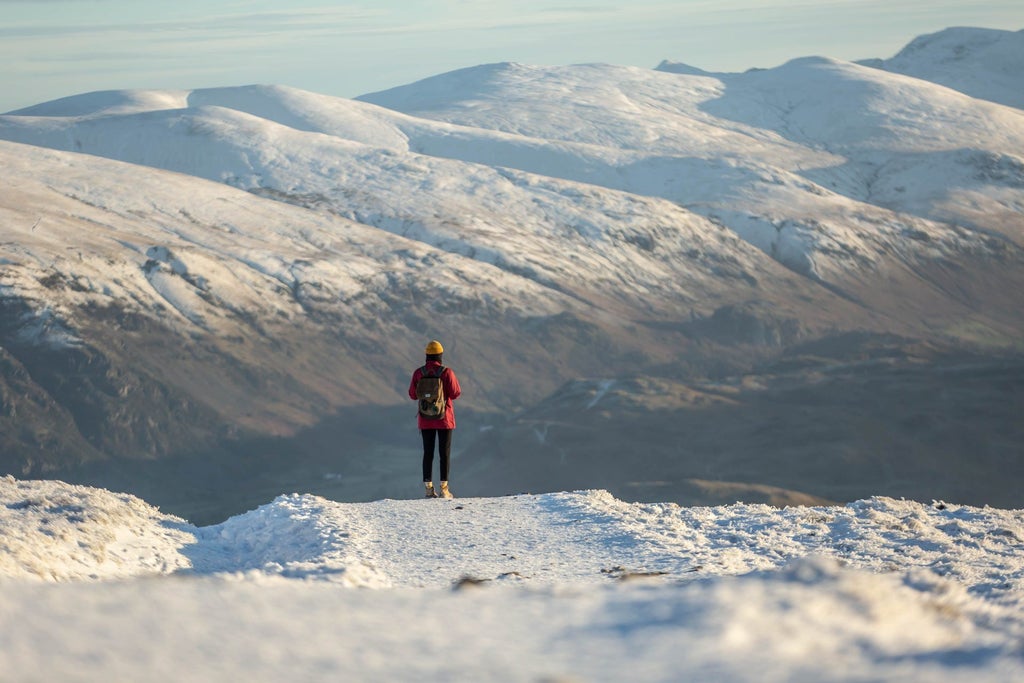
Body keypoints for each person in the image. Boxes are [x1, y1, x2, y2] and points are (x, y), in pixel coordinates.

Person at [409, 340, 462, 498]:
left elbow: (412, 395)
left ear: (426, 355)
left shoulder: (419, 373)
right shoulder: (446, 372)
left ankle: (428, 488)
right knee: (444, 453)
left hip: (425, 419)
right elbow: (455, 393)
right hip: (444, 418)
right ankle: (444, 489)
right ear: (440, 355)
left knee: (428, 453)